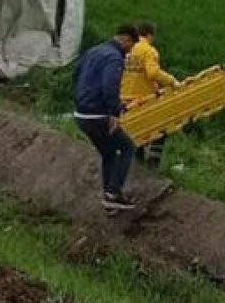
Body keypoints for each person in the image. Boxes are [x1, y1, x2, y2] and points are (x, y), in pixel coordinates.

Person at [74, 24, 140, 212]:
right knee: (127, 147)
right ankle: (113, 193)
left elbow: (77, 75)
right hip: (98, 115)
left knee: (109, 152)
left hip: (81, 113)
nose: (129, 52)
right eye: (131, 46)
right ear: (126, 39)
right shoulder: (114, 57)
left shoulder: (94, 51)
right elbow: (109, 86)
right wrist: (114, 112)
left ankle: (109, 198)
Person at [120, 21, 181, 165]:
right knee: (160, 130)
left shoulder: (127, 49)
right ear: (149, 35)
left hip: (123, 97)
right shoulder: (148, 50)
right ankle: (152, 166)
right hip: (142, 100)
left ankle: (137, 162)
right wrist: (172, 81)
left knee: (135, 132)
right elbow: (153, 73)